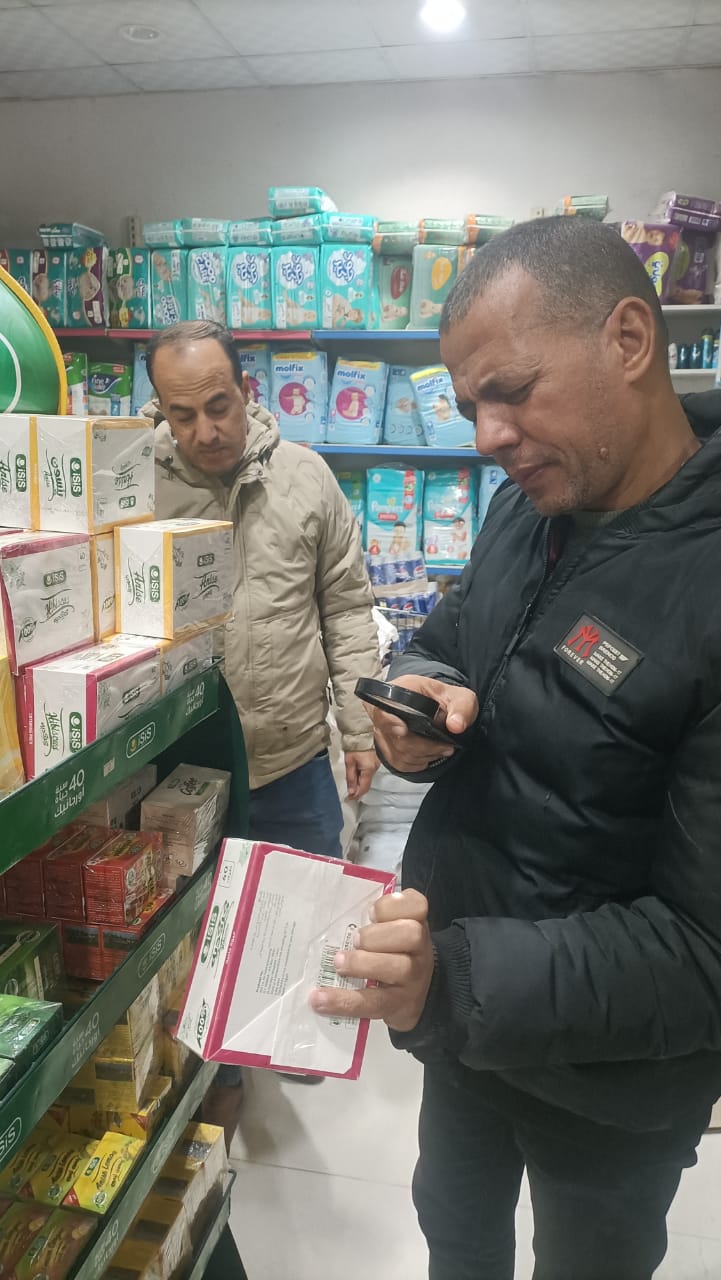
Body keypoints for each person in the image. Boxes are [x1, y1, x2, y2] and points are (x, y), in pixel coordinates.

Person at [310, 217, 721, 1279]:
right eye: (467, 408)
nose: (489, 435)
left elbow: (704, 949)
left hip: (611, 1079)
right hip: (466, 1025)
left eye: (512, 391)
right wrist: (414, 702)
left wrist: (453, 980)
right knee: (454, 1232)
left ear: (627, 340)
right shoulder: (525, 506)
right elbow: (451, 637)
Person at [145, 320, 380, 1141]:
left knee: (304, 909)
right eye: (182, 415)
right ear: (160, 411)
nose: (205, 431)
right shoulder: (135, 485)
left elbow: (346, 607)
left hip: (290, 754)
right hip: (178, 766)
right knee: (199, 925)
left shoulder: (305, 478)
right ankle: (220, 1070)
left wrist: (358, 728)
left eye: (219, 405)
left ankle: (295, 1033)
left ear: (246, 391)